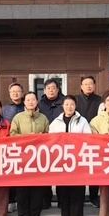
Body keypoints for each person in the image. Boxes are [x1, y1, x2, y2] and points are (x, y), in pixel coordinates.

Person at [49, 95, 91, 216]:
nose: (69, 107)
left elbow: (88, 138)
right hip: (61, 162)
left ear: (75, 106)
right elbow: (50, 140)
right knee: (63, 192)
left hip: (78, 161)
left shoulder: (82, 121)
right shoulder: (56, 122)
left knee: (77, 192)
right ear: (62, 106)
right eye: (66, 104)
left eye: (72, 104)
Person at [10, 92, 50, 216]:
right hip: (22, 160)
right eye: (28, 100)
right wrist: (27, 137)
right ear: (24, 102)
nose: (31, 102)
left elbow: (49, 136)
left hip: (38, 160)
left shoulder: (43, 118)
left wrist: (41, 137)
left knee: (37, 191)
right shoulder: (18, 118)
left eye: (33, 99)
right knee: (22, 192)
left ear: (37, 101)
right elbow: (12, 135)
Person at [75, 75, 102, 208]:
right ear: (81, 86)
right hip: (78, 139)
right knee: (78, 169)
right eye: (85, 84)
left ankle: (93, 197)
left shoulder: (100, 100)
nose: (88, 86)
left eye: (91, 83)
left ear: (94, 85)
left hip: (95, 138)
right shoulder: (75, 99)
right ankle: (78, 197)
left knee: (94, 168)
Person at [37, 79, 65, 209]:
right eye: (48, 88)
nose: (51, 90)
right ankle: (45, 200)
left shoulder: (64, 102)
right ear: (44, 90)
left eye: (53, 88)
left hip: (61, 143)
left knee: (61, 172)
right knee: (45, 172)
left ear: (58, 89)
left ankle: (61, 200)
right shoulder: (39, 104)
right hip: (44, 143)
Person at [2, 82, 25, 213]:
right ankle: (11, 201)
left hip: (26, 148)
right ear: (9, 94)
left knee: (23, 176)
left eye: (18, 91)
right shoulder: (4, 109)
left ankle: (20, 201)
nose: (16, 93)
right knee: (10, 175)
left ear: (22, 93)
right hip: (9, 147)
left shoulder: (27, 106)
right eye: (13, 91)